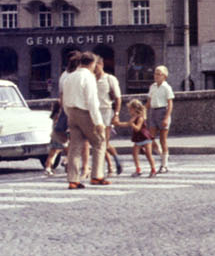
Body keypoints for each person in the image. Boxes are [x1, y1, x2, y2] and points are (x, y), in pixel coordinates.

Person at [61, 52, 108, 188]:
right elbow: (92, 101)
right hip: (85, 113)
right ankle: (96, 176)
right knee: (99, 142)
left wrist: (69, 114)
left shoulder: (69, 77)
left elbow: (64, 99)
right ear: (92, 63)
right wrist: (98, 122)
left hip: (71, 113)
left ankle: (73, 180)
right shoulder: (88, 77)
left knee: (75, 148)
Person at [112, 98, 158, 177]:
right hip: (138, 138)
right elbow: (127, 124)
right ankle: (138, 169)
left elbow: (137, 128)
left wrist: (132, 124)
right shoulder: (134, 117)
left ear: (134, 109)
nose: (129, 111)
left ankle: (153, 169)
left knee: (148, 154)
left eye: (130, 109)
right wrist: (119, 124)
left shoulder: (140, 118)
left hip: (145, 137)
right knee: (134, 153)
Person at [93, 54, 121, 179]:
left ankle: (113, 162)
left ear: (101, 65)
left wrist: (116, 114)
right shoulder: (91, 79)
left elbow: (118, 98)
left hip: (106, 112)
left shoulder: (110, 79)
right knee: (99, 142)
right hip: (94, 113)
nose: (94, 69)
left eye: (96, 66)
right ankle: (111, 164)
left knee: (104, 142)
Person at [148, 65, 175, 173]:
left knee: (163, 139)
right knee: (150, 137)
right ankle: (162, 154)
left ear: (164, 76)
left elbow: (170, 104)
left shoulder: (166, 87)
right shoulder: (153, 86)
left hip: (163, 111)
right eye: (155, 73)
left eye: (159, 74)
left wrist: (166, 118)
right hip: (153, 111)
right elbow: (149, 101)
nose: (156, 76)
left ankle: (164, 165)